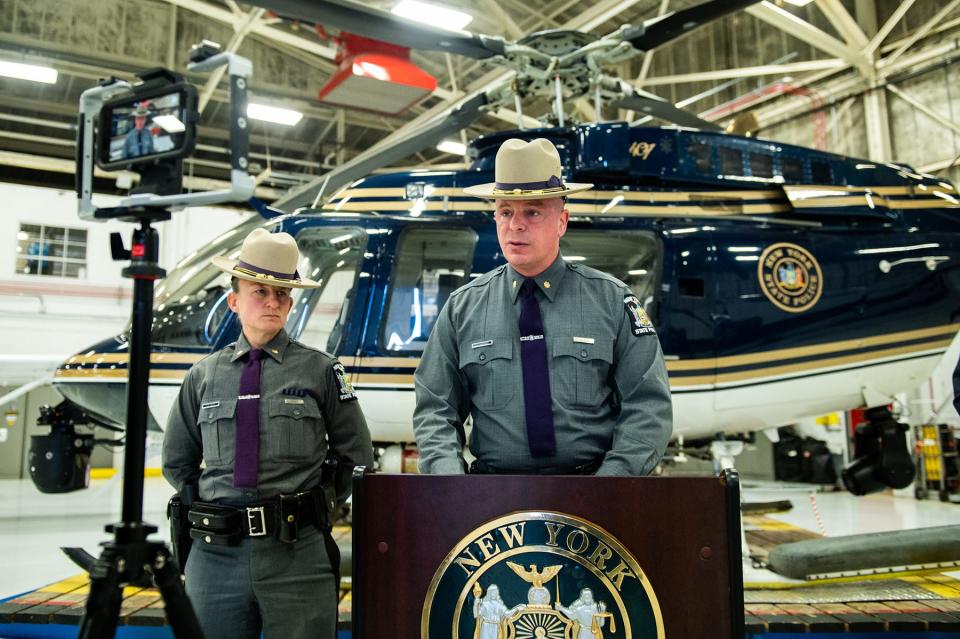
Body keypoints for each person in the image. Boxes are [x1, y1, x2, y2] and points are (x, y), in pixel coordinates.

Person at [413, 137, 673, 476]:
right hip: (491, 497)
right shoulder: (463, 308)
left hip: (593, 490)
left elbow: (648, 405)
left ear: (562, 222)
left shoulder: (611, 301)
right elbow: (435, 407)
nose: (515, 225)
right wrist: (451, 484)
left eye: (532, 212)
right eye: (505, 212)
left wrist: (612, 484)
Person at [162, 228, 374, 639]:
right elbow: (177, 461)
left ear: (291, 304)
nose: (272, 302)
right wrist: (208, 512)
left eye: (281, 294)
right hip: (215, 557)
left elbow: (356, 456)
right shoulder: (202, 377)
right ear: (234, 300)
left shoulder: (321, 371)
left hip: (297, 555)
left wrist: (317, 503)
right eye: (260, 291)